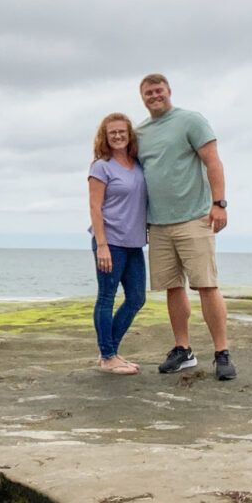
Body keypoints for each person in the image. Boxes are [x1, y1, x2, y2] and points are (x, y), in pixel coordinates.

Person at [136, 74, 236, 381]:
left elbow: (213, 161)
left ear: (168, 91)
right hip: (159, 224)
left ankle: (222, 352)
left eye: (158, 90)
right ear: (142, 97)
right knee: (173, 287)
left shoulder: (191, 120)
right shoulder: (139, 132)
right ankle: (183, 350)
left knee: (206, 285)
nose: (154, 95)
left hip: (194, 218)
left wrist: (219, 204)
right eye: (148, 92)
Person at [88, 113, 148, 375]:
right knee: (106, 298)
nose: (118, 136)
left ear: (129, 134)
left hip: (134, 243)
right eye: (112, 132)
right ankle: (108, 356)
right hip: (110, 241)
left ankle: (109, 352)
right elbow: (94, 206)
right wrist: (101, 245)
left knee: (136, 298)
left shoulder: (137, 164)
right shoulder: (101, 166)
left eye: (122, 131)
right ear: (105, 136)